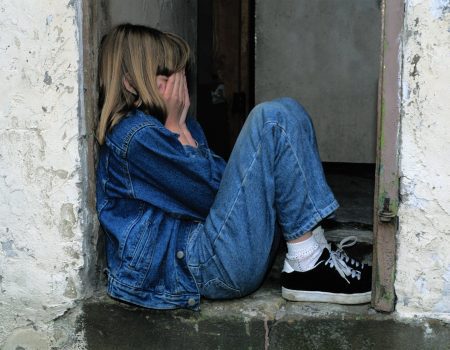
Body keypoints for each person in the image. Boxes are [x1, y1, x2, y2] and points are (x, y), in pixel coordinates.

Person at [95, 24, 371, 310]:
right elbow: (213, 194)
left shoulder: (171, 127)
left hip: (212, 252)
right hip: (199, 267)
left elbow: (225, 192)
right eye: (167, 77)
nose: (180, 88)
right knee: (270, 119)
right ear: (130, 83)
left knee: (287, 110)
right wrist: (178, 128)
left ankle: (311, 252)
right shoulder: (136, 137)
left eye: (180, 76)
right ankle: (307, 264)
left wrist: (183, 129)